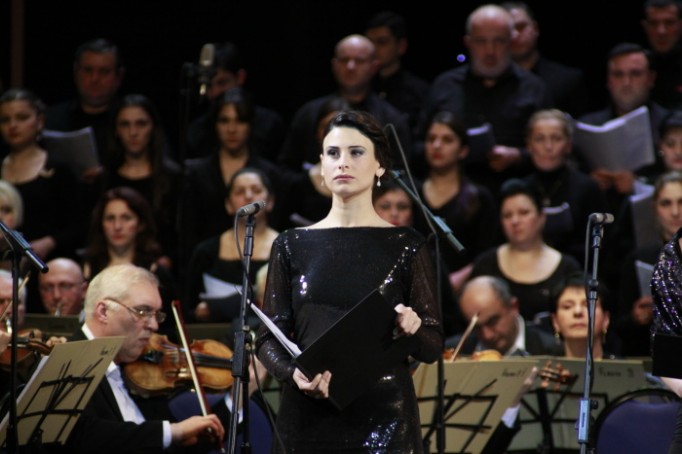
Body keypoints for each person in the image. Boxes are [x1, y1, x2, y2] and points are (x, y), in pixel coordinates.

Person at [255, 110, 443, 452]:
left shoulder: (407, 244)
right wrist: (293, 373)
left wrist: (413, 328)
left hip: (386, 418)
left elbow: (432, 344)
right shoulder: (291, 244)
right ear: (322, 166)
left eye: (356, 152)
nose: (343, 162)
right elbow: (268, 336)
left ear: (380, 166)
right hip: (307, 416)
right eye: (333, 153)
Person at [56, 263, 226, 454]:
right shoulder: (67, 364)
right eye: (143, 311)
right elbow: (82, 437)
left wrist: (231, 405)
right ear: (103, 312)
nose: (154, 325)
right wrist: (172, 432)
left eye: (156, 314)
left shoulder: (134, 373)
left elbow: (151, 442)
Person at [416, 3, 552, 196]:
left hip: (515, 197)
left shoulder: (534, 88)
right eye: (481, 41)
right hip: (452, 197)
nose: (490, 51)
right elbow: (417, 145)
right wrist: (446, 151)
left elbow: (555, 148)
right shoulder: (444, 86)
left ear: (511, 41)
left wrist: (518, 156)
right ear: (468, 42)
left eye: (499, 41)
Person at [178, 87, 295, 272]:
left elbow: (275, 223)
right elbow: (188, 230)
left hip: (261, 262)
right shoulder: (194, 172)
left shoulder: (271, 174)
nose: (232, 129)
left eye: (240, 120)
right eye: (224, 121)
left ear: (250, 125)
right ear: (215, 124)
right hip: (207, 264)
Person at [277, 34, 413, 173]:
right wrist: (311, 180)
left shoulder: (391, 119)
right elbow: (285, 170)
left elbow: (400, 174)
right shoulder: (309, 113)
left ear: (374, 67)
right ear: (334, 65)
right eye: (344, 60)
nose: (350, 67)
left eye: (359, 61)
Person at [469, 178, 581, 327]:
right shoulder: (486, 264)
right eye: (507, 215)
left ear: (541, 216)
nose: (515, 221)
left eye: (524, 213)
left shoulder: (568, 268)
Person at [412, 110, 500, 293]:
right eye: (431, 139)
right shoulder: (412, 193)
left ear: (463, 150)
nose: (437, 145)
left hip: (465, 289)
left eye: (447, 140)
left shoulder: (479, 198)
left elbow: (489, 252)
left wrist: (458, 279)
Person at [577, 42, 669, 214]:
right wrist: (590, 183)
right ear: (608, 81)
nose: (626, 82)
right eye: (618, 75)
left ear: (651, 78)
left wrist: (638, 184)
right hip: (602, 215)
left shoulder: (669, 124)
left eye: (635, 74)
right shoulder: (588, 125)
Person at [0, 88, 86, 262]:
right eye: (5, 119)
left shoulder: (58, 169)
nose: (13, 125)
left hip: (49, 264)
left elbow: (79, 225)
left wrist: (50, 242)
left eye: (22, 117)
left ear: (39, 121)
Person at [185, 167, 279, 324]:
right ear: (228, 204)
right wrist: (200, 311)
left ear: (270, 202)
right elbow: (189, 304)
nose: (248, 196)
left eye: (256, 190)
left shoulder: (285, 248)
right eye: (239, 192)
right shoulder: (206, 251)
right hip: (215, 333)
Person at [372, 179, 464, 337]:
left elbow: (448, 315)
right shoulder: (360, 253)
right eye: (385, 206)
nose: (394, 213)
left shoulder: (427, 257)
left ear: (413, 214)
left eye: (402, 207)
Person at [83, 187, 178, 338]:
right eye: (110, 218)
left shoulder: (158, 273)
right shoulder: (87, 269)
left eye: (126, 218)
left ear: (141, 224)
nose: (117, 226)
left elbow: (170, 329)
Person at [102, 94, 183, 270]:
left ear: (153, 128)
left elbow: (184, 232)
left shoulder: (174, 178)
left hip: (159, 269)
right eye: (125, 124)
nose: (133, 132)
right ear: (116, 130)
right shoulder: (104, 179)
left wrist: (168, 261)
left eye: (141, 124)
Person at [523, 109, 608, 263]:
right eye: (539, 139)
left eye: (556, 138)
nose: (548, 146)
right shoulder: (521, 189)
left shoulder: (587, 188)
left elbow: (600, 247)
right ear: (529, 145)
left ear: (568, 145)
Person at [184, 41, 287, 163]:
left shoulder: (270, 126)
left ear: (240, 77)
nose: (214, 93)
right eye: (209, 85)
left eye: (222, 83)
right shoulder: (196, 132)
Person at [615, 171, 682, 357]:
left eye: (681, 202)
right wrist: (637, 318)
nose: (675, 212)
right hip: (653, 357)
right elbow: (620, 327)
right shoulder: (640, 259)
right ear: (654, 209)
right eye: (666, 203)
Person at [501, 1, 591, 117]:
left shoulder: (567, 81)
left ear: (535, 29)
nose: (515, 35)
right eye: (508, 30)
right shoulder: (492, 82)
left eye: (521, 27)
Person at [44, 38, 125, 163]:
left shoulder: (131, 122)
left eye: (104, 72)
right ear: (76, 73)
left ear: (118, 77)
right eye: (87, 70)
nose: (94, 79)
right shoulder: (50, 119)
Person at [448, 275, 562, 355]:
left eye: (492, 321)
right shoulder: (453, 352)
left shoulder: (551, 351)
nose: (487, 335)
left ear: (514, 307)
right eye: (476, 327)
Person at [364, 10, 430, 134]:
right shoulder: (360, 87)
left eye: (382, 42)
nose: (373, 49)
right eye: (369, 42)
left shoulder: (418, 92)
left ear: (401, 46)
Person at [550, 271, 612, 359]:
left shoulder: (624, 367)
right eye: (567, 306)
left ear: (606, 319)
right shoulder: (543, 367)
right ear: (555, 321)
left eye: (588, 305)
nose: (578, 311)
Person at [642, 0, 682, 109]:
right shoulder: (634, 68)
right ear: (645, 26)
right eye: (653, 23)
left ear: (680, 25)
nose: (661, 31)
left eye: (669, 23)